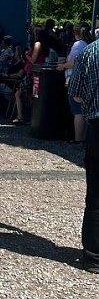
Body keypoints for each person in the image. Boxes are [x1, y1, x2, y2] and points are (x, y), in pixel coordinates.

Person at [69, 41, 99, 273]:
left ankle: (93, 257)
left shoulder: (89, 52)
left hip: (97, 128)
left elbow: (75, 94)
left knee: (96, 196)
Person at [58, 25, 90, 144]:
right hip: (83, 78)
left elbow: (74, 62)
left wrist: (63, 66)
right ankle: (83, 138)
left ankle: (78, 138)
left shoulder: (78, 45)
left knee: (77, 110)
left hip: (74, 78)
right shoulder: (87, 45)